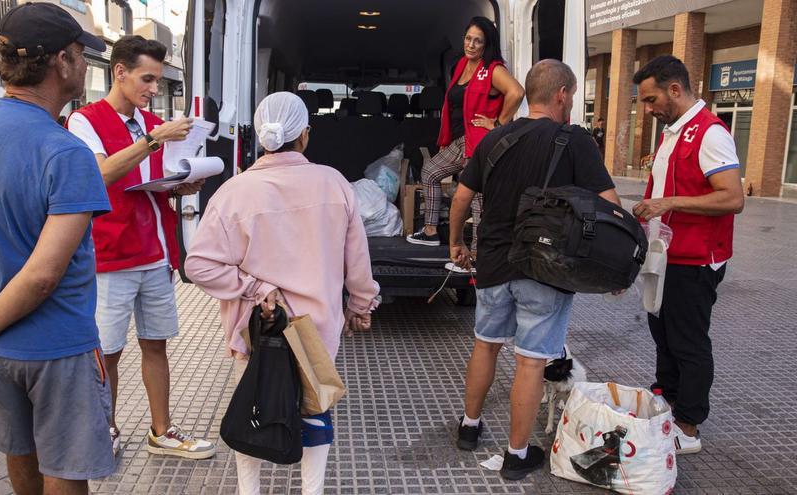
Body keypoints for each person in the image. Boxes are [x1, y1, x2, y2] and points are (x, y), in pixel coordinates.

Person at [0, 3, 115, 493]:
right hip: (56, 347)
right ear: (61, 61)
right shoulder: (66, 152)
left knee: (21, 454)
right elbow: (43, 274)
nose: (84, 65)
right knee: (65, 470)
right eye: (80, 54)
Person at [184, 92, 380, 495]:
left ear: (260, 135)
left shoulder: (233, 193)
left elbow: (197, 265)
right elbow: (357, 261)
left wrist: (254, 287)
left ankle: (249, 490)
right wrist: (362, 305)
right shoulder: (335, 183)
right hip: (316, 331)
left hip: (256, 330)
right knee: (314, 411)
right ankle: (312, 490)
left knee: (252, 408)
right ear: (304, 136)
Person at [449, 60, 620, 480]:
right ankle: (516, 454)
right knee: (530, 363)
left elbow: (461, 196)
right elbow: (610, 205)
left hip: (492, 262)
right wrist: (612, 269)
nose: (573, 102)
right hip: (546, 268)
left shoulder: (494, 138)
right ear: (561, 94)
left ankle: (469, 429)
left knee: (485, 345)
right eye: (574, 95)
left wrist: (456, 242)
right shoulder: (575, 141)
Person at [67, 35, 214, 459]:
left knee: (156, 344)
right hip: (110, 256)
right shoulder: (85, 121)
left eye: (158, 80)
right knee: (107, 351)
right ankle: (106, 428)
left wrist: (182, 185)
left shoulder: (152, 124)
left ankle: (161, 431)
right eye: (148, 79)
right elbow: (100, 175)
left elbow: (153, 184)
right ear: (120, 72)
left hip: (156, 253)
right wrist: (154, 140)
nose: (153, 89)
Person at [632, 55, 744, 454]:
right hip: (666, 256)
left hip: (696, 260)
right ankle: (667, 401)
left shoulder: (710, 133)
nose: (647, 110)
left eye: (650, 100)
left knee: (688, 341)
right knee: (663, 335)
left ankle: (689, 426)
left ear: (674, 90)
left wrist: (667, 203)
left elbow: (733, 198)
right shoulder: (674, 132)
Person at [406, 16, 524, 249]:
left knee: (478, 197)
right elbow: (454, 105)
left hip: (479, 141)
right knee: (430, 172)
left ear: (487, 44)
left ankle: (478, 254)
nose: (471, 45)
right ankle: (430, 231)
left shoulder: (493, 69)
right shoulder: (461, 65)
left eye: (477, 41)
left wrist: (498, 125)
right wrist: (446, 139)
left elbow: (517, 92)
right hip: (459, 140)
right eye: (468, 39)